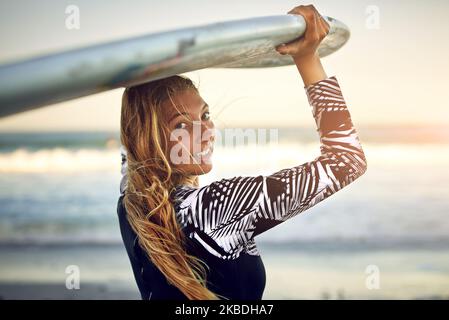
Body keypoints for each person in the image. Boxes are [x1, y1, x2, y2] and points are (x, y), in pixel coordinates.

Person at [117, 5, 368, 300]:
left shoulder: (132, 203)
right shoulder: (216, 208)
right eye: (181, 124)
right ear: (150, 139)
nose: (206, 132)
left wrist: (144, 66)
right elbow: (347, 161)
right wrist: (307, 58)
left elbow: (129, 150)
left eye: (206, 115)